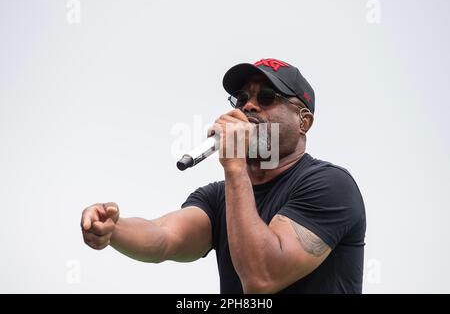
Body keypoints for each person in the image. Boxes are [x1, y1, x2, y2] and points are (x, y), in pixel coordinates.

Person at [81, 58, 366, 294]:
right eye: (241, 99)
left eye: (267, 97)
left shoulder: (330, 185)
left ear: (304, 121)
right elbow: (164, 237)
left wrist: (234, 165)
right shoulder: (220, 195)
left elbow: (261, 278)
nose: (249, 106)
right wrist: (114, 230)